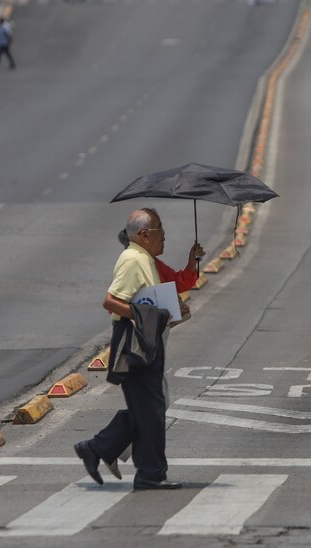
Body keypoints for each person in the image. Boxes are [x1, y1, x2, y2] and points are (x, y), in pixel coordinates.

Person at [74, 208, 205, 491]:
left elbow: (170, 289)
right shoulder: (133, 260)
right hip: (135, 342)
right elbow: (111, 302)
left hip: (148, 341)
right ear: (145, 235)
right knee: (152, 409)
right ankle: (148, 472)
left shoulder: (147, 259)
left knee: (149, 409)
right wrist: (147, 315)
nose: (165, 237)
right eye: (160, 231)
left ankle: (100, 449)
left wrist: (171, 308)